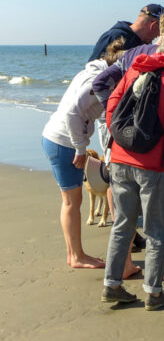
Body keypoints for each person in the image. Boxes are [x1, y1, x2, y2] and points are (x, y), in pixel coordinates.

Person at [101, 26, 164, 310]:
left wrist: (120, 142)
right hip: (155, 164)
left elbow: (112, 108)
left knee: (122, 224)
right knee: (156, 229)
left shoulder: (135, 70)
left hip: (121, 159)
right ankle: (153, 293)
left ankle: (112, 285)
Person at [42, 38, 126, 269]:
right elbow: (71, 113)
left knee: (71, 200)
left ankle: (75, 254)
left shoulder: (94, 73)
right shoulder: (95, 80)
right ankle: (76, 256)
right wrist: (80, 148)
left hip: (59, 138)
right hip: (63, 141)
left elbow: (96, 110)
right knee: (72, 201)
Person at [88, 4, 164, 62]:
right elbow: (92, 70)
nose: (158, 35)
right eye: (161, 31)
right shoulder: (113, 36)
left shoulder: (144, 45)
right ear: (153, 26)